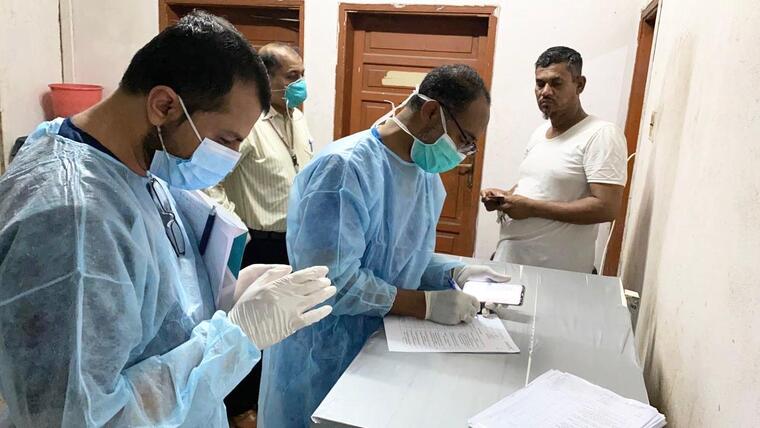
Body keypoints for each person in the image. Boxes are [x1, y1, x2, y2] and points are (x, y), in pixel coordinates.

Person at [0, 11, 336, 427]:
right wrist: (237, 336)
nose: (231, 158)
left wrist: (226, 295)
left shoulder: (143, 167)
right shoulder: (72, 219)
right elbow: (82, 416)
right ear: (164, 106)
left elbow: (155, 310)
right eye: (225, 139)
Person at [259, 64, 511, 428]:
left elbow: (399, 257)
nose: (463, 152)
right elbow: (332, 283)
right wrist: (425, 305)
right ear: (431, 112)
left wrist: (454, 272)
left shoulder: (424, 176)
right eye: (464, 139)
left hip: (378, 347)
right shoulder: (344, 170)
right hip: (323, 355)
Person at [206, 42, 313, 426]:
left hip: (294, 240)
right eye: (292, 76)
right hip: (257, 243)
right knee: (251, 328)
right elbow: (211, 182)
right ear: (267, 78)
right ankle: (240, 409)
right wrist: (236, 228)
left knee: (284, 326)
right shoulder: (249, 125)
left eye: (302, 75)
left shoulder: (296, 118)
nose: (301, 84)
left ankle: (271, 399)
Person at [481, 46, 627, 273]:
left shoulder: (601, 134)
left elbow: (606, 208)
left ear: (579, 84)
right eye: (540, 84)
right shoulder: (540, 133)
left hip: (556, 274)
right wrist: (505, 197)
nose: (545, 92)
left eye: (556, 83)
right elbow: (537, 186)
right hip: (510, 262)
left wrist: (531, 208)